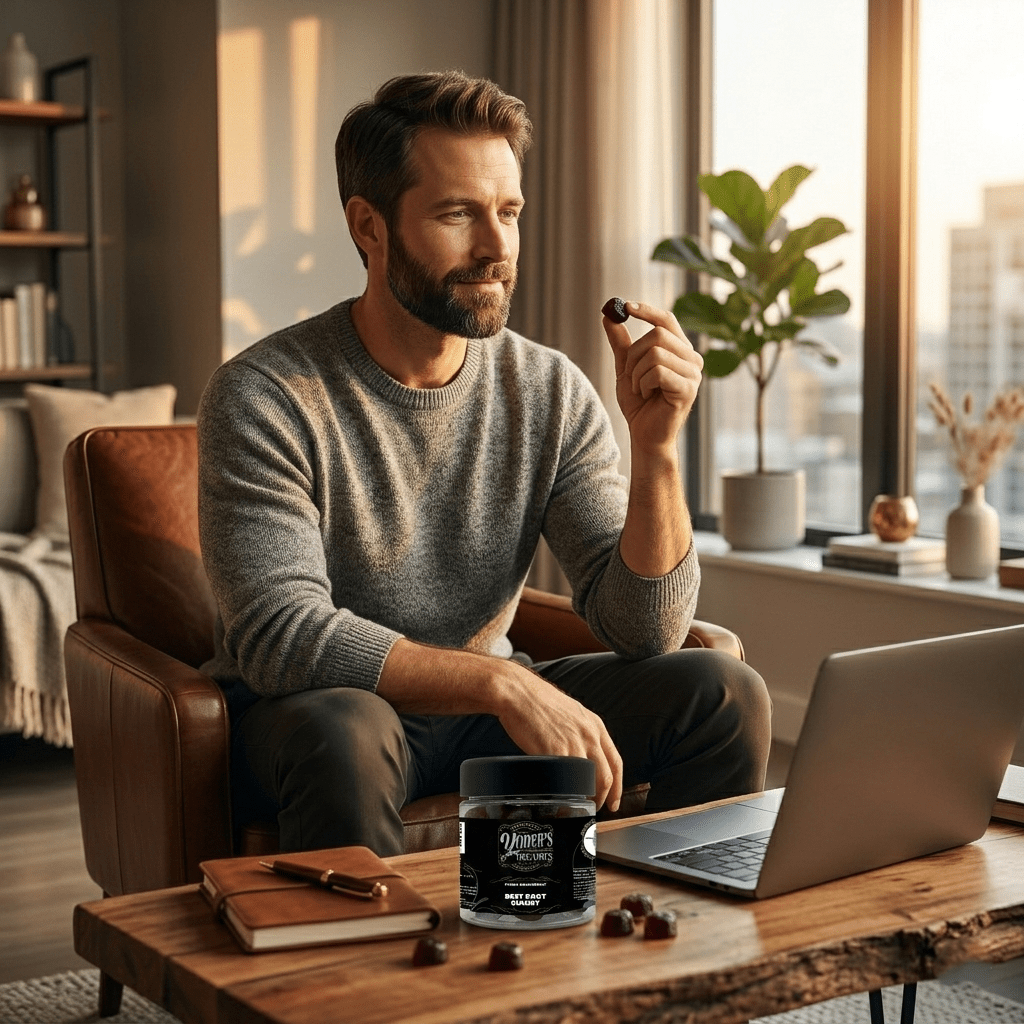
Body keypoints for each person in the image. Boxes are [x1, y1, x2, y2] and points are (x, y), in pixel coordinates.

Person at [197, 70, 771, 856]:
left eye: (508, 212)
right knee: (346, 727)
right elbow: (280, 635)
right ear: (369, 227)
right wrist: (501, 683)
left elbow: (646, 633)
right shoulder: (265, 394)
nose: (498, 247)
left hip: (478, 718)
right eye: (458, 213)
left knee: (721, 691)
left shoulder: (548, 390)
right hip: (320, 718)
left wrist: (659, 448)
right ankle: (374, 978)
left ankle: (674, 960)